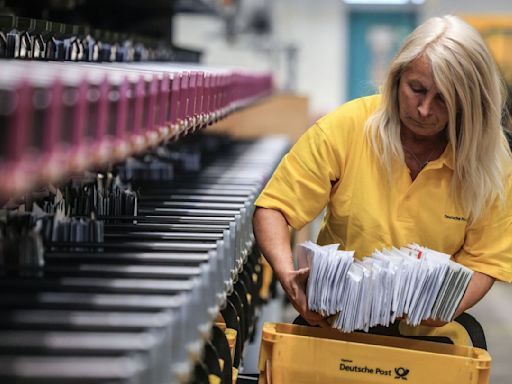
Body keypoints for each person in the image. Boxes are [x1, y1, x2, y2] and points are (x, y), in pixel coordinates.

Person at [253, 15, 512, 329]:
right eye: (416, 89)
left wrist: (449, 307)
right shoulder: (348, 128)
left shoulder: (490, 161)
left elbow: (486, 258)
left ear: (468, 104)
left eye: (443, 99)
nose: (424, 109)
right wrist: (288, 276)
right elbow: (275, 208)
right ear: (398, 77)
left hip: (427, 339)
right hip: (332, 326)